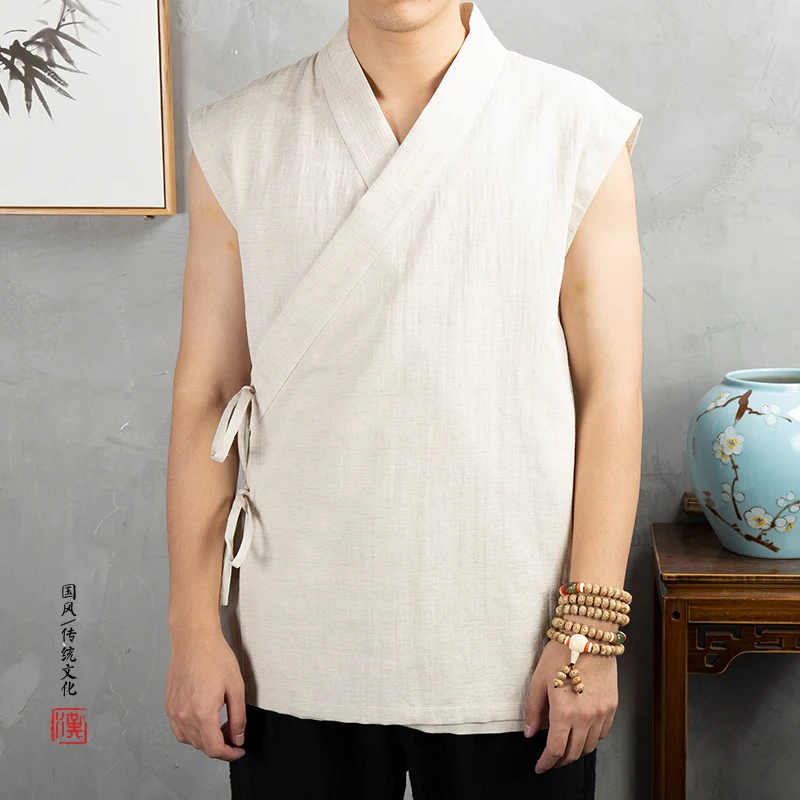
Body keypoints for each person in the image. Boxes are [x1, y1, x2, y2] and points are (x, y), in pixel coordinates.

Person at [164, 2, 643, 798]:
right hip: (296, 640)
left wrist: (588, 633)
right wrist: (191, 626)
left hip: (516, 643)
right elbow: (205, 394)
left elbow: (610, 392)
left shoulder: (575, 129)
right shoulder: (237, 139)